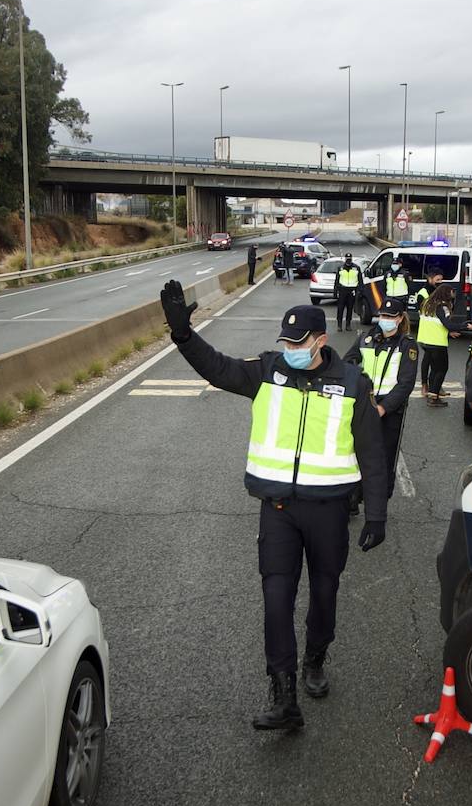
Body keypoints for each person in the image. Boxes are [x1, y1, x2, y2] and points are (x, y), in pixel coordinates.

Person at [159, 282, 389, 731]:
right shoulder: (267, 372)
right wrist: (184, 334)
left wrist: (376, 513)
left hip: (328, 512)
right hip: (278, 509)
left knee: (324, 593)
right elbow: (218, 369)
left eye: (299, 343)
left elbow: (373, 455)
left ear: (321, 341)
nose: (290, 349)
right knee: (275, 596)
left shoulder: (352, 385)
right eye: (286, 342)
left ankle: (315, 659)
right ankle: (283, 693)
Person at [345, 296, 417, 498]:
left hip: (389, 409)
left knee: (384, 458)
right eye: (382, 315)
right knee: (356, 452)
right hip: (364, 404)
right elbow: (347, 363)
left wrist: (383, 408)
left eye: (390, 316)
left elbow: (406, 384)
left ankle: (379, 500)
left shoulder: (407, 345)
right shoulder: (366, 339)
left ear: (400, 318)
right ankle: (353, 497)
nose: (385, 319)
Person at [416, 285, 472, 406]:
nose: (453, 294)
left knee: (434, 368)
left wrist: (450, 330)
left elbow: (436, 323)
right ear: (446, 293)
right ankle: (434, 397)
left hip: (424, 341)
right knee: (441, 369)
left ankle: (432, 392)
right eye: (452, 292)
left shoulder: (427, 303)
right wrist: (467, 326)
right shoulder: (442, 306)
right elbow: (449, 325)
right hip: (437, 342)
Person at [334, 254, 362, 331]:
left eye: (349, 259)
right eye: (347, 259)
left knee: (350, 309)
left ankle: (348, 325)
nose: (348, 260)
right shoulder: (341, 268)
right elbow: (337, 281)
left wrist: (359, 291)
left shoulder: (356, 268)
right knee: (340, 309)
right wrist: (335, 292)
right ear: (345, 259)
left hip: (352, 290)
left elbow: (360, 281)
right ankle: (339, 325)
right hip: (343, 290)